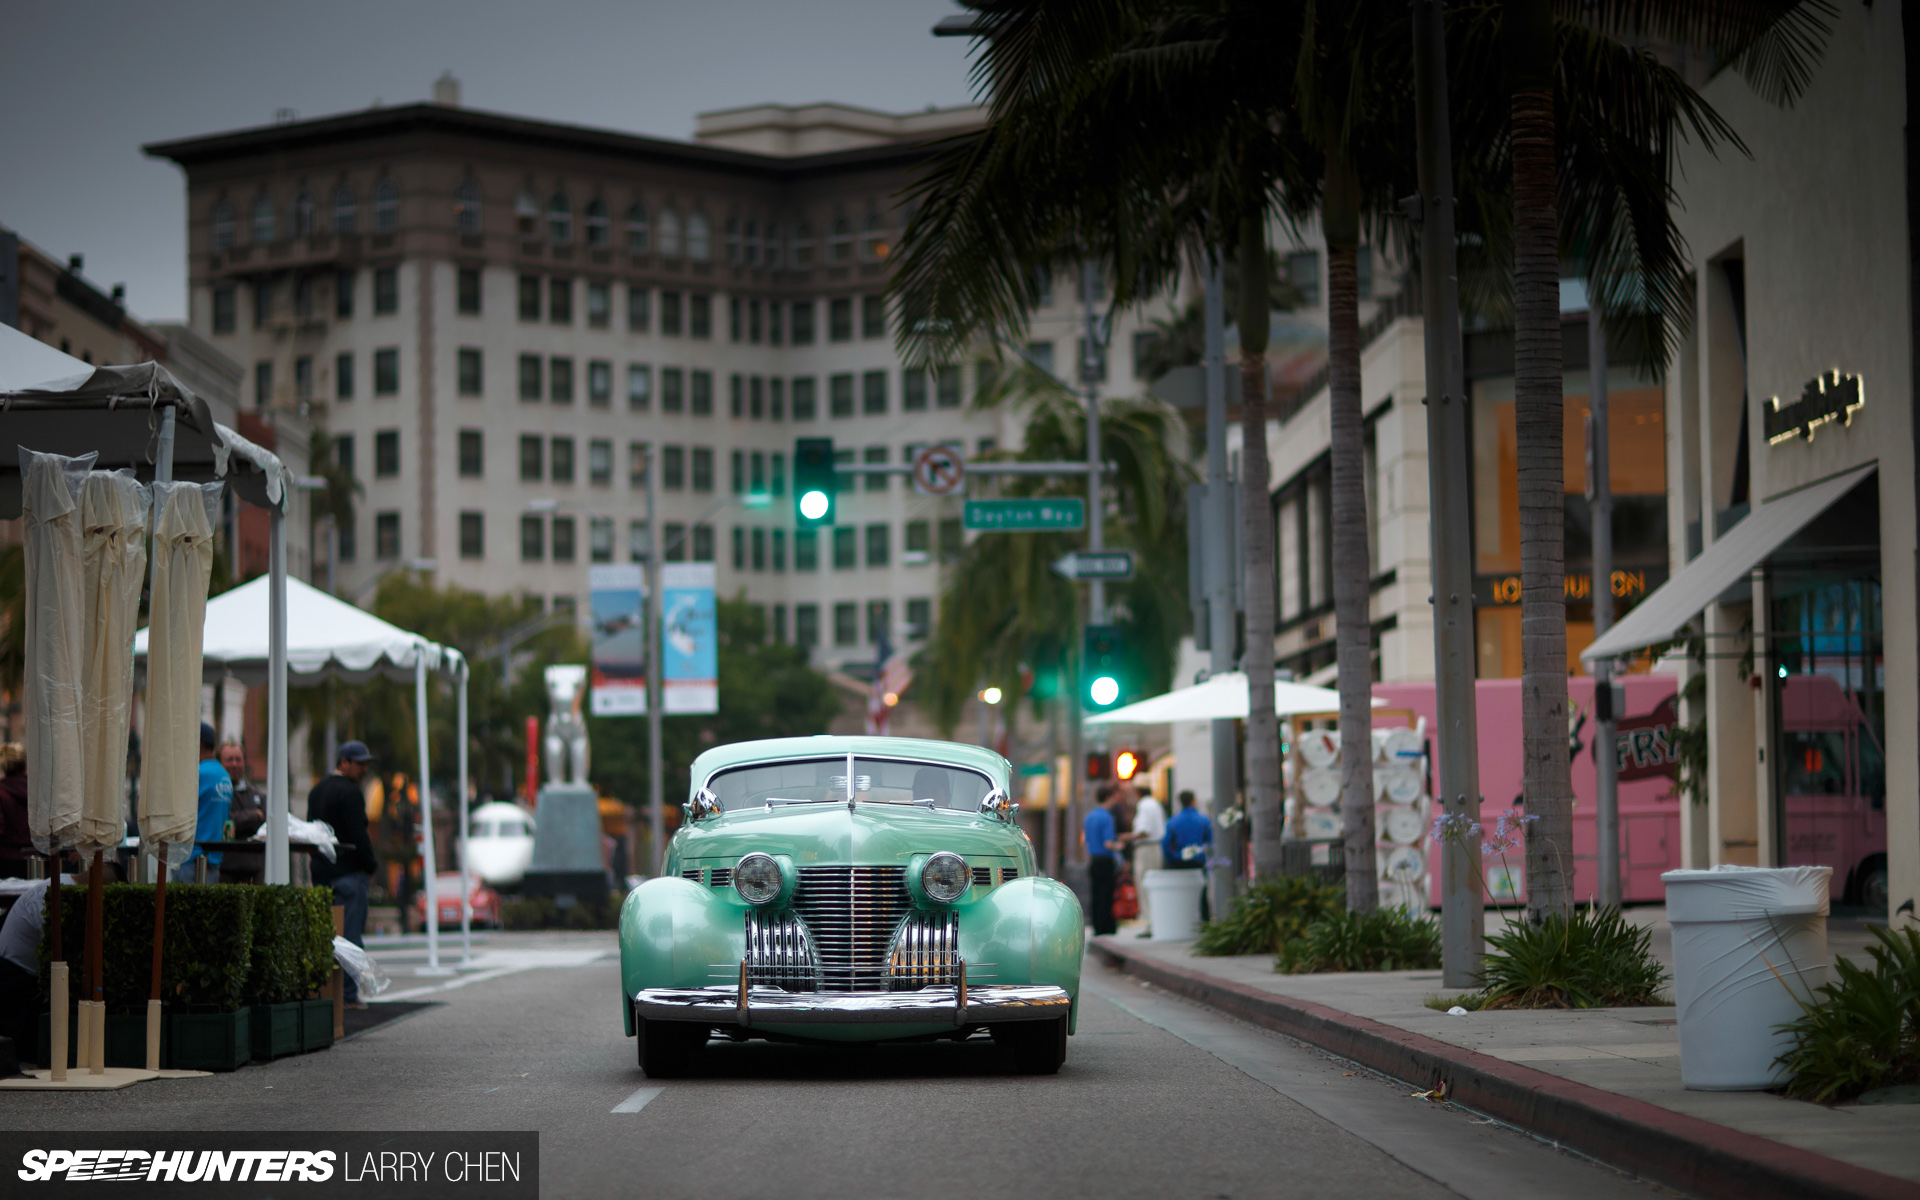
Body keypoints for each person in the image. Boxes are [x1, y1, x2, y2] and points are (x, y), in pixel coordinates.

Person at [307, 741, 378, 1005]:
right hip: (349, 873)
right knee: (350, 937)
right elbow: (360, 835)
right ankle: (347, 996)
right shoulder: (351, 793)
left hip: (322, 872)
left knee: (326, 936)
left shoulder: (316, 791)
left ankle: (328, 994)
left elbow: (312, 832)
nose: (364, 769)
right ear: (344, 762)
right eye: (360, 764)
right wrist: (370, 866)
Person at [175, 723, 232, 883]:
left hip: (190, 858)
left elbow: (178, 811)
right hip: (213, 859)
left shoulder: (197, 773)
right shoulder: (224, 775)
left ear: (198, 744)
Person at [1162, 790, 1213, 921]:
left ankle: (1182, 920)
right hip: (1198, 861)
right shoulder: (1204, 820)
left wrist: (1172, 858)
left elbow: (1166, 844)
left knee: (1181, 892)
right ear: (1193, 801)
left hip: (1180, 861)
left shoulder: (1173, 821)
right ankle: (1204, 920)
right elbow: (1209, 842)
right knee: (1201, 893)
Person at [1082, 783, 1123, 936]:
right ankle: (1107, 926)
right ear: (1108, 798)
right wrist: (1119, 846)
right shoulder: (1107, 817)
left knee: (1096, 894)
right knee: (1107, 894)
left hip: (1094, 859)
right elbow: (1108, 843)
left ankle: (1097, 926)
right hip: (1105, 860)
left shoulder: (1090, 817)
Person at [1127, 785, 1168, 936]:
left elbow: (1143, 832)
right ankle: (1155, 922)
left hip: (1145, 848)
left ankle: (1150, 924)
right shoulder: (1155, 804)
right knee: (1153, 885)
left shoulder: (1144, 805)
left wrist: (1125, 838)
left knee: (1144, 886)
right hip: (1155, 847)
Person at [219, 741, 265, 840]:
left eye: (238, 760)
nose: (234, 764)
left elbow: (267, 822)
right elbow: (223, 820)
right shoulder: (217, 793)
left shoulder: (257, 793)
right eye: (229, 760)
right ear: (220, 763)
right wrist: (255, 815)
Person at [0, 745, 29, 879]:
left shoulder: (2, 791)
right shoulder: (40, 790)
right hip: (41, 859)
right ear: (25, 764)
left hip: (6, 861)